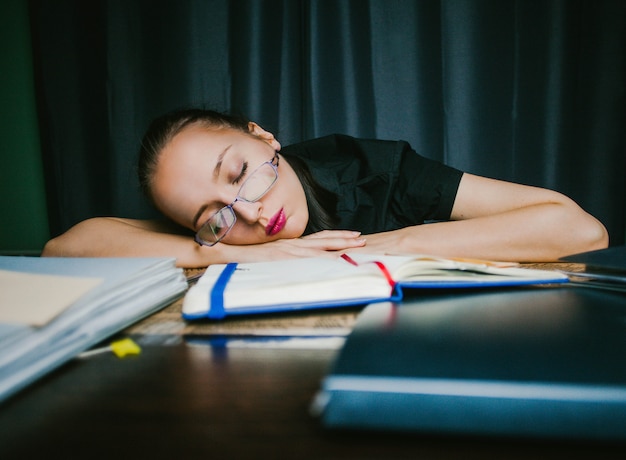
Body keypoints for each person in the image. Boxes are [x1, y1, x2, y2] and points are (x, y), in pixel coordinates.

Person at [42, 108, 608, 268]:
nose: (255, 216)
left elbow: (581, 229)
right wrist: (201, 250)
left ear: (263, 135)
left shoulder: (369, 169)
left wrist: (395, 243)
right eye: (212, 216)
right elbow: (66, 246)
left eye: (240, 173)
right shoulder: (217, 236)